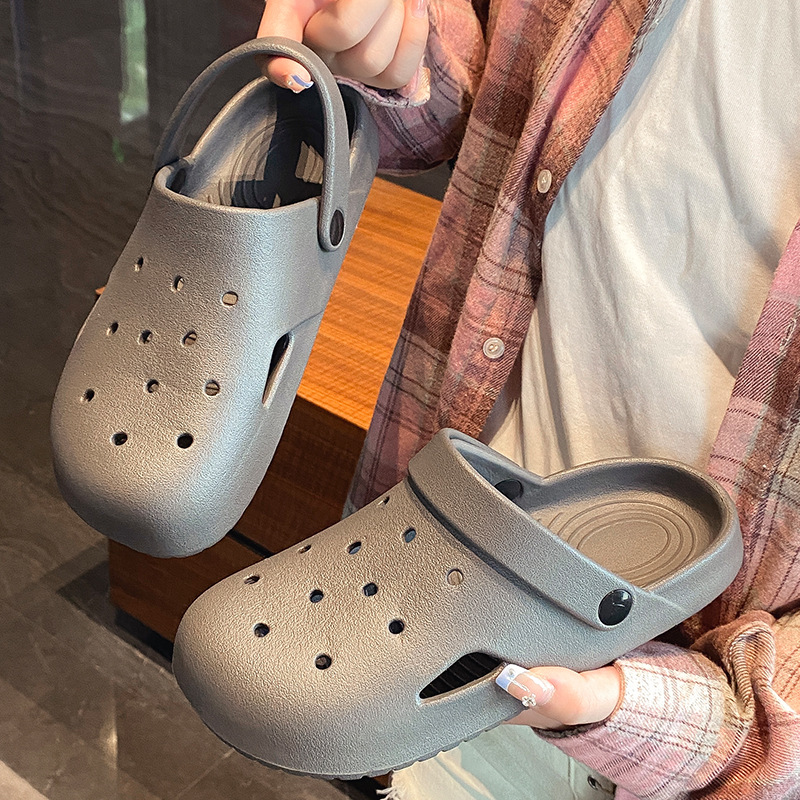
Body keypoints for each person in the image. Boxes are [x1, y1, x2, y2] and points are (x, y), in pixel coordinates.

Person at [256, 0, 800, 797]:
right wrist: (390, 48)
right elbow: (480, 105)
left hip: (696, 715)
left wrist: (672, 717)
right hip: (461, 551)